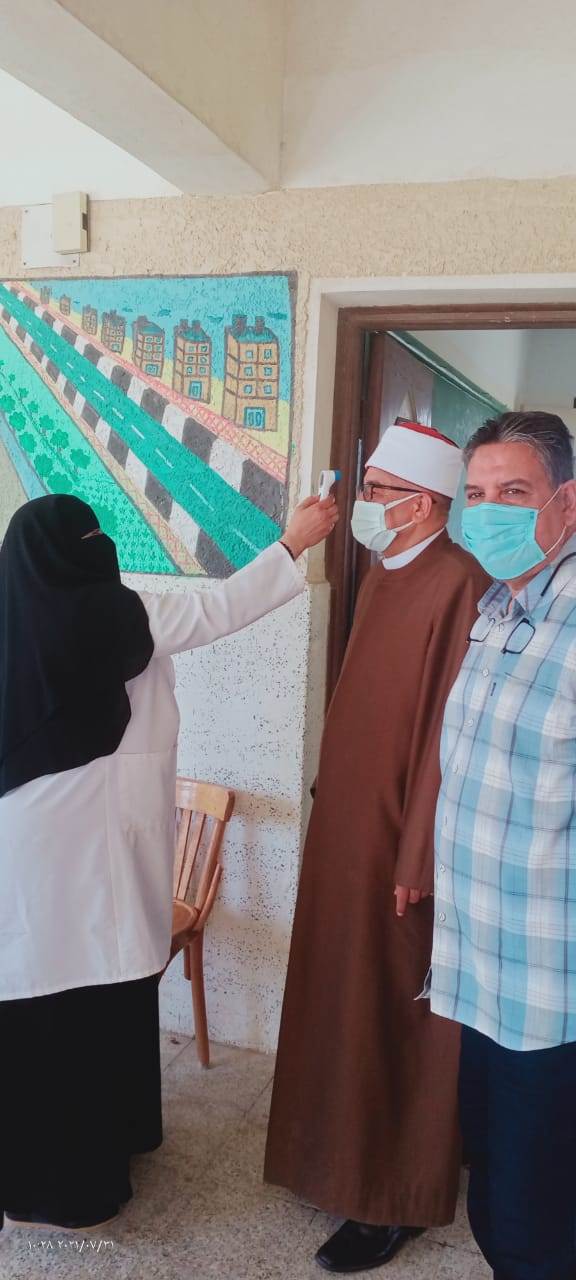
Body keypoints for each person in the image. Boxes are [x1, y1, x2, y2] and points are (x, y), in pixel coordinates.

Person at [0, 490, 337, 1234]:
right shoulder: (124, 615)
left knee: (38, 996)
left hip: (22, 848)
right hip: (101, 845)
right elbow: (220, 610)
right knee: (100, 989)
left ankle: (30, 1174)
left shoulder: (10, 618)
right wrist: (292, 545)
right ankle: (91, 1170)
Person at [265, 420, 490, 1273]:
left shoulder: (458, 583)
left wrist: (417, 854)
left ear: (422, 504)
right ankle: (329, 1158)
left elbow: (446, 738)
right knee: (340, 993)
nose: (361, 504)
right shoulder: (383, 574)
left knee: (395, 1008)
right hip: (347, 831)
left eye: (374, 491)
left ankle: (391, 1194)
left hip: (401, 843)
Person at [430, 411, 576, 1280]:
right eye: (476, 495)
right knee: (496, 1195)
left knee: (534, 1227)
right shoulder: (499, 607)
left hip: (555, 998)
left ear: (567, 504)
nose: (487, 513)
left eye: (513, 493)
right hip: (484, 973)